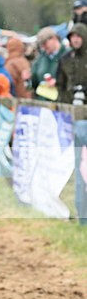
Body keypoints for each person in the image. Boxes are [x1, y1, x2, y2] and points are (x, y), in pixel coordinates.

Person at [56, 22, 87, 225]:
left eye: (78, 36)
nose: (75, 39)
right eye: (71, 36)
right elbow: (61, 87)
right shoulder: (65, 60)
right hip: (73, 119)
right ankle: (83, 216)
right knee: (79, 169)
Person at [31, 27, 68, 101]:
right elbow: (33, 83)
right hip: (43, 103)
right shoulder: (40, 58)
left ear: (54, 38)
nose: (43, 47)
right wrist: (29, 79)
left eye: (45, 43)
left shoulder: (68, 54)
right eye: (41, 44)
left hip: (62, 104)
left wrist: (58, 82)